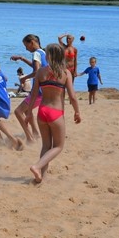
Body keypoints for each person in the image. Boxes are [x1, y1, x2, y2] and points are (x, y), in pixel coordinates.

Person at [28, 43, 81, 183]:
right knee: (58, 146)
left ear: (49, 56)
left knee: (46, 146)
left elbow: (33, 95)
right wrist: (77, 112)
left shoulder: (40, 72)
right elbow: (73, 97)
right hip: (56, 113)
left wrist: (28, 112)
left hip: (42, 111)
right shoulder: (65, 73)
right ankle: (37, 166)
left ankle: (42, 176)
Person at [10, 34, 46, 143]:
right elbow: (36, 67)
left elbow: (36, 72)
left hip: (38, 91)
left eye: (26, 45)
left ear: (32, 42)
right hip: (44, 90)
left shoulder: (36, 53)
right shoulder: (43, 52)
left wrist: (24, 78)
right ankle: (35, 133)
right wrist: (22, 58)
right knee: (26, 111)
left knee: (18, 112)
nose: (26, 48)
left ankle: (30, 138)